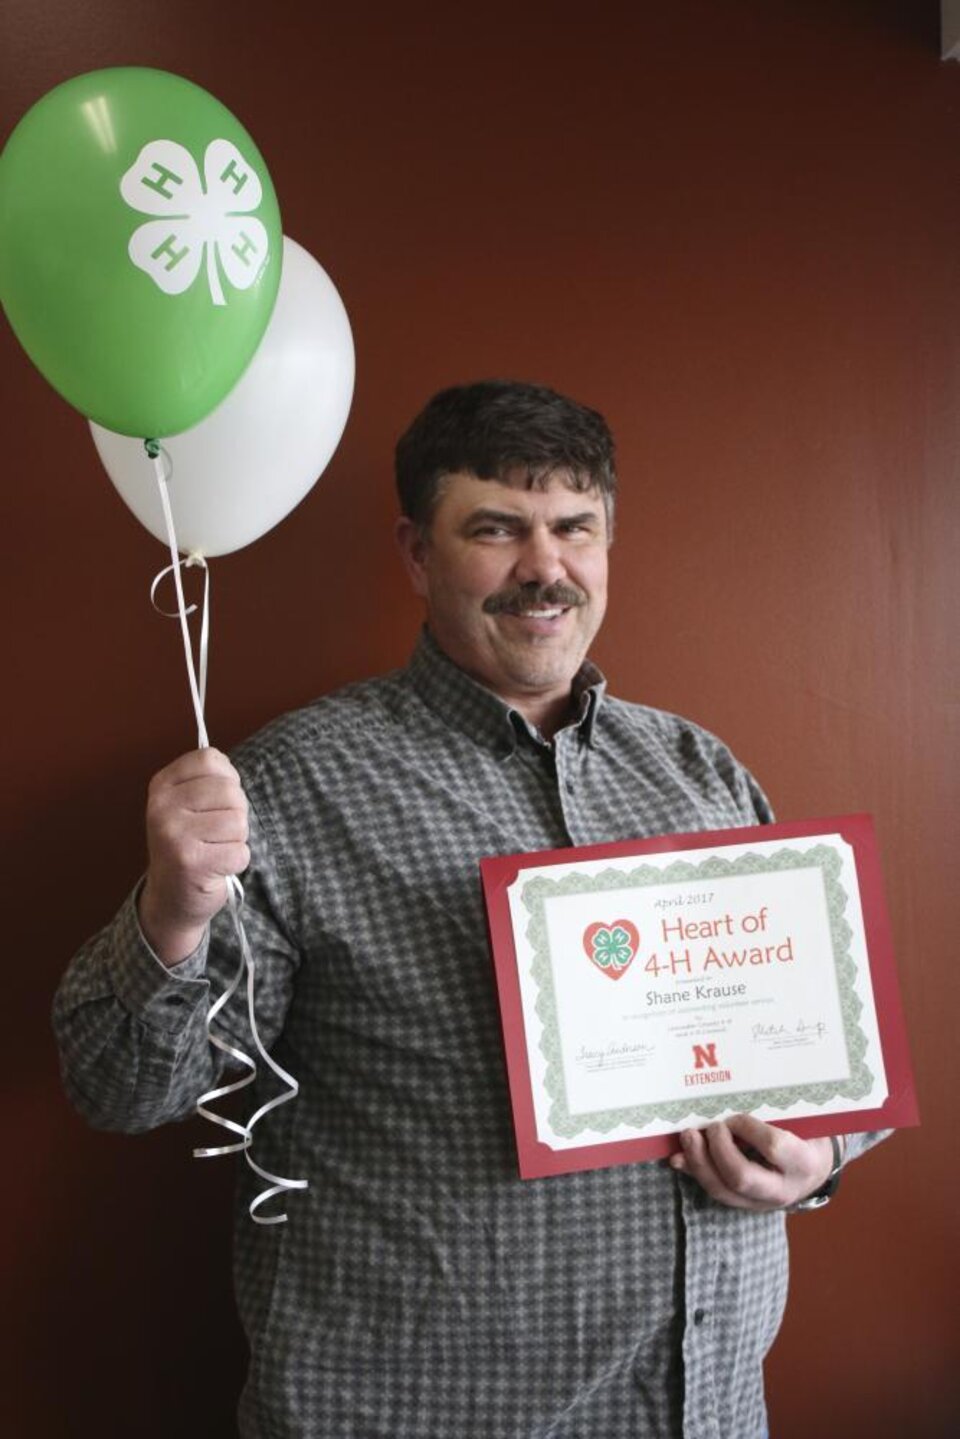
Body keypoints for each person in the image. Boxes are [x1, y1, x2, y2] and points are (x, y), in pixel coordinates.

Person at [54, 380, 885, 1439]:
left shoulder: (697, 769)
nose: (545, 567)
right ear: (416, 553)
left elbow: (828, 1055)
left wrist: (817, 1157)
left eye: (574, 529)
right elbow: (117, 1087)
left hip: (707, 1409)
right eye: (496, 528)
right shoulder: (296, 787)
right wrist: (170, 909)